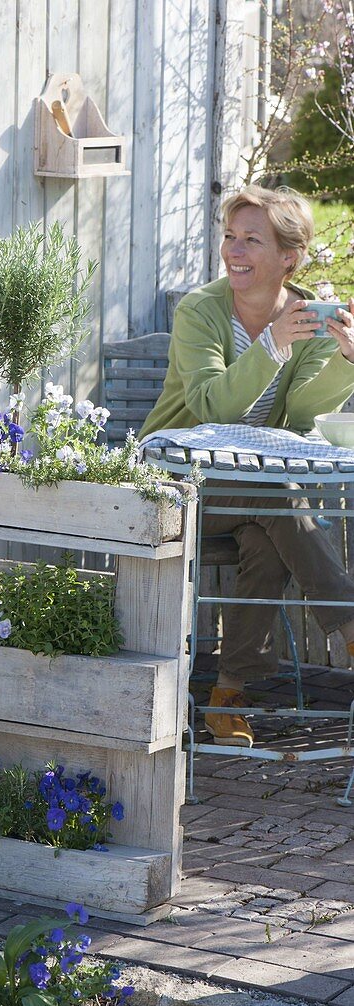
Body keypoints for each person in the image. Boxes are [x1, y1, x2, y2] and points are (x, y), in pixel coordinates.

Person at [140, 184, 354, 747]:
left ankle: (226, 697)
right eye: (231, 236)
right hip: (176, 487)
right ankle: (350, 622)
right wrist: (271, 349)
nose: (234, 249)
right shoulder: (200, 312)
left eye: (251, 240)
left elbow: (306, 412)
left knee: (267, 531)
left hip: (255, 491)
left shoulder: (304, 315)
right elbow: (211, 405)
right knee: (279, 495)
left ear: (289, 257)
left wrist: (347, 360)